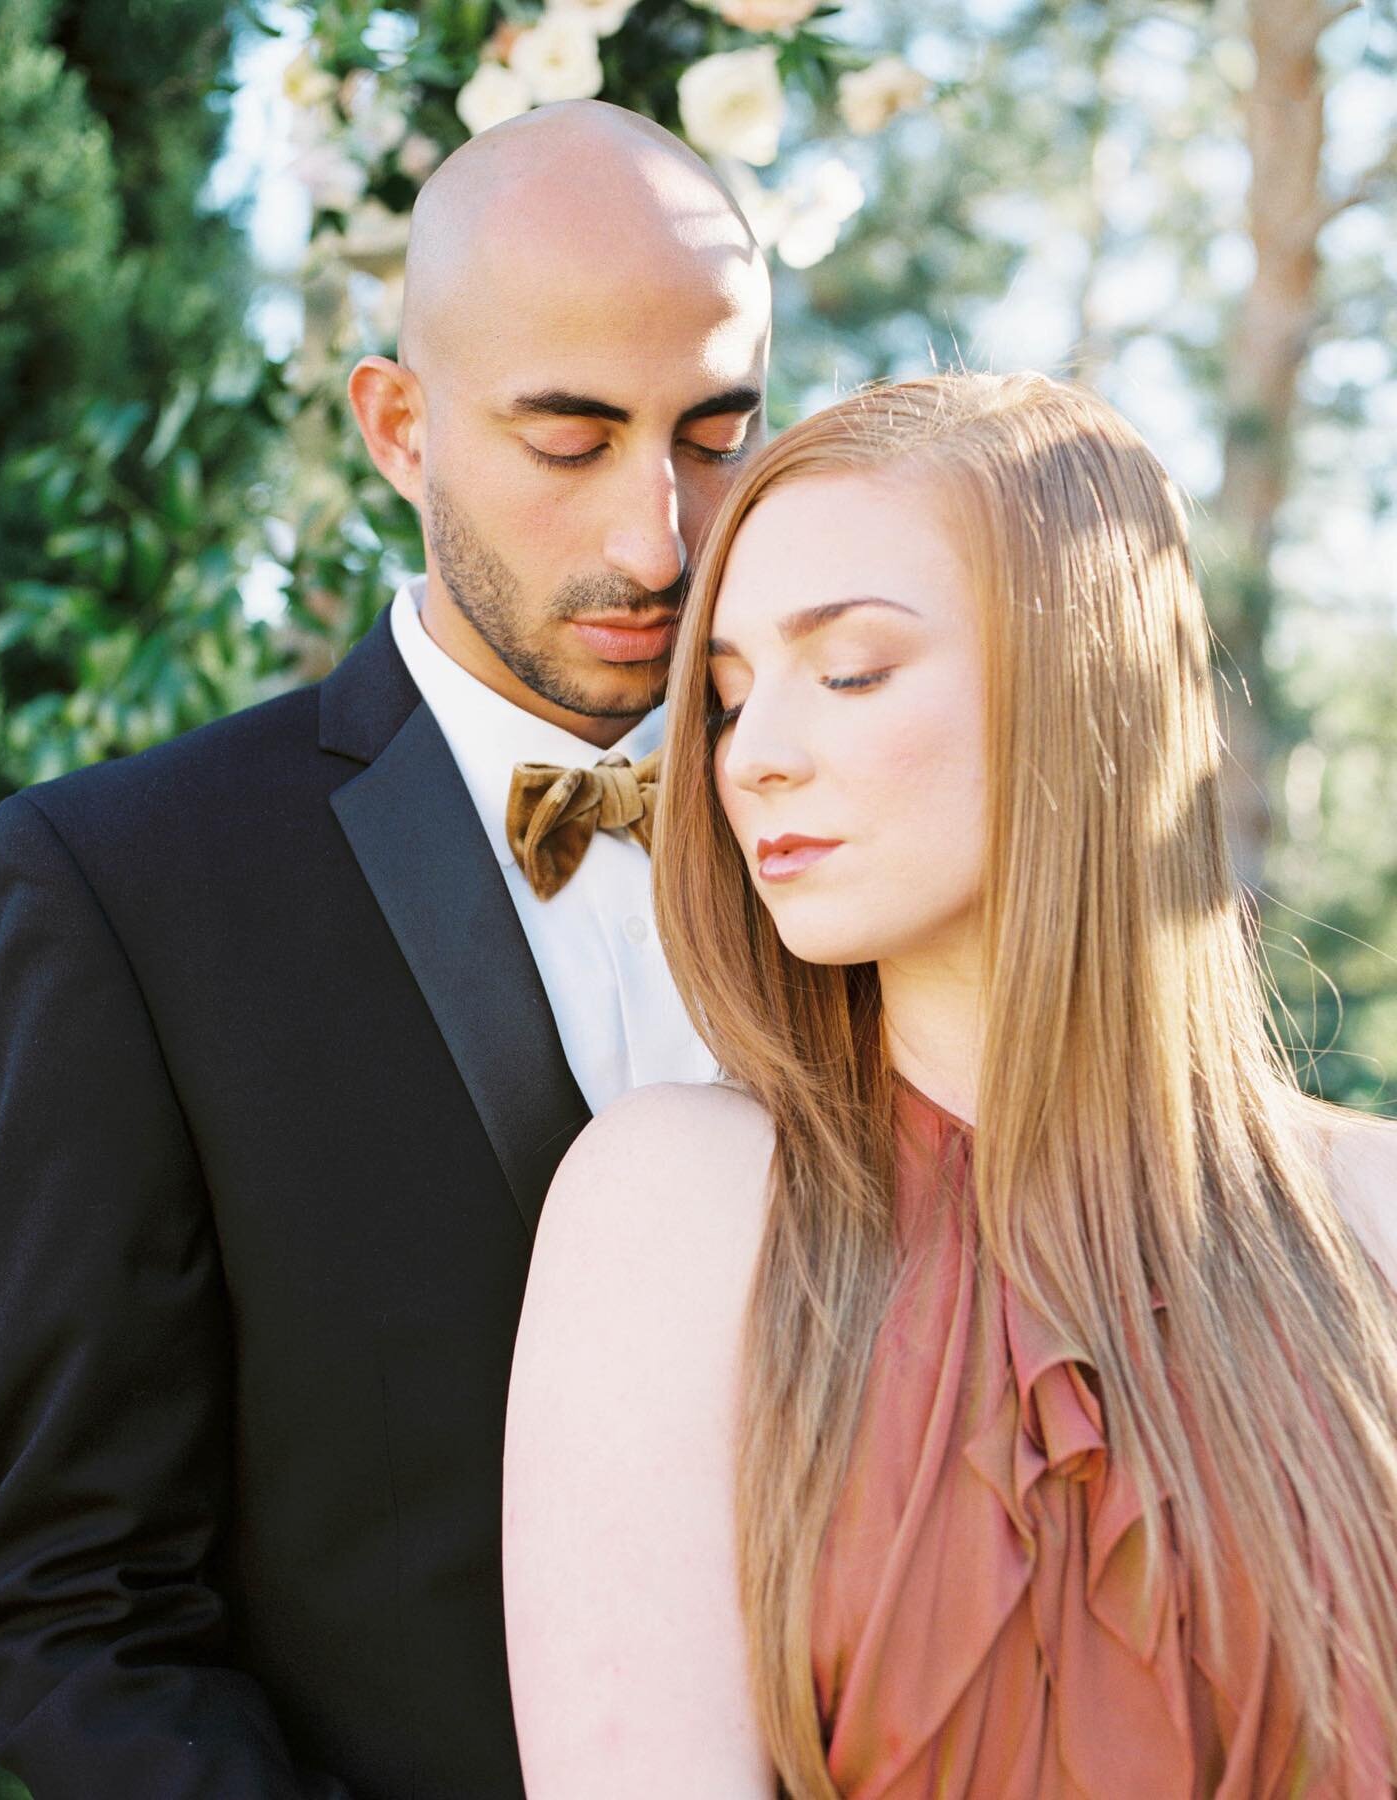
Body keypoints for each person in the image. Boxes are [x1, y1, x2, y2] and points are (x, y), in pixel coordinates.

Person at [0, 101, 770, 1797]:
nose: (659, 541)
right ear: (399, 429)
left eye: (715, 435)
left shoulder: (864, 839)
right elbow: (66, 1607)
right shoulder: (130, 884)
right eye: (570, 441)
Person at [503, 373, 1397, 1799]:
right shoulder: (677, 1209)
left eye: (848, 671)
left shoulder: (1377, 1220)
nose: (751, 761)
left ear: (1083, 682)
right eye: (727, 697)